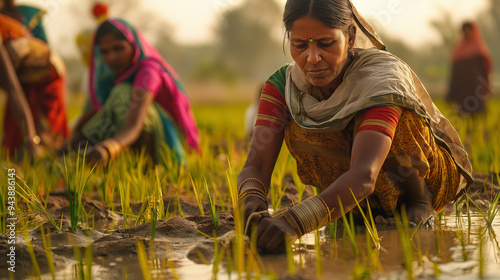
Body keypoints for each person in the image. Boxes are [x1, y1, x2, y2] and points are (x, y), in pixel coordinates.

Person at [238, 0, 473, 253]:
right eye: (299, 45)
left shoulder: (381, 79)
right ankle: (356, 209)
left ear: (350, 37)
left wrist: (294, 223)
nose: (313, 57)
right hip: (350, 191)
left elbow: (364, 174)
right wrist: (252, 202)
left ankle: (419, 199)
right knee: (298, 125)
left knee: (399, 117)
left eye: (326, 43)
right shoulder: (283, 87)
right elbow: (257, 165)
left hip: (417, 177)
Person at [68, 19, 200, 166]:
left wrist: (108, 148)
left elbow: (134, 125)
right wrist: (73, 138)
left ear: (134, 46)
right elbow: (100, 109)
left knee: (122, 93)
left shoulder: (148, 72)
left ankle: (145, 164)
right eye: (105, 52)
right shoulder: (110, 76)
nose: (111, 57)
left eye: (119, 48)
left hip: (163, 135)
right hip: (126, 133)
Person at [0, 13, 69, 158]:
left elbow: (13, 89)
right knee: (12, 141)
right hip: (24, 80)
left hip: (46, 74)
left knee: (45, 137)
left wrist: (31, 140)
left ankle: (49, 170)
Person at [447, 22, 493, 116]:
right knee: (463, 110)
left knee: (477, 111)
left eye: (469, 29)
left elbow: (486, 67)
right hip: (462, 84)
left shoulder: (479, 47)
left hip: (475, 83)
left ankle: (477, 129)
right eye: (465, 30)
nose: (467, 32)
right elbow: (454, 70)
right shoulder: (459, 48)